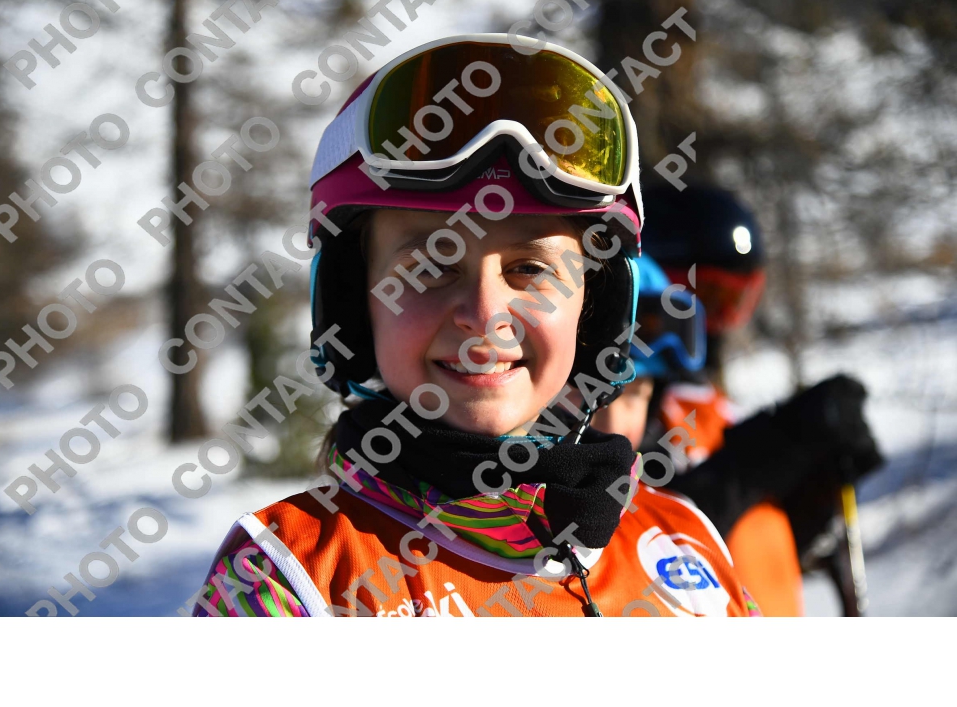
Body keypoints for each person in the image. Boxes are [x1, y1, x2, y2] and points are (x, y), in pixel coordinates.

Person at [192, 34, 755, 617]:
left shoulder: (687, 546)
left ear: (595, 307)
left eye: (529, 269)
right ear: (354, 304)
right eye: (430, 267)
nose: (485, 316)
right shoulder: (290, 574)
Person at [639, 182, 884, 616]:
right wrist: (777, 445)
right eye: (708, 298)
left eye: (735, 300)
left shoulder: (712, 407)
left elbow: (740, 548)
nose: (718, 322)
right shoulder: (618, 402)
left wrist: (806, 495)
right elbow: (642, 534)